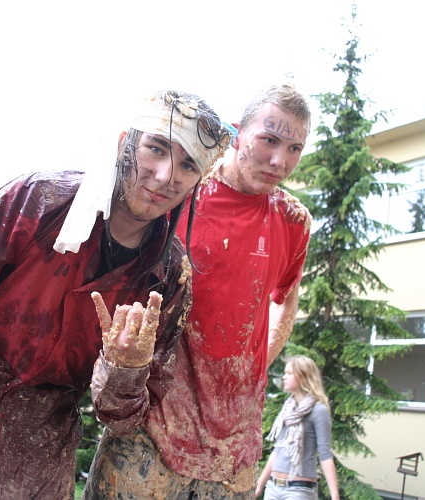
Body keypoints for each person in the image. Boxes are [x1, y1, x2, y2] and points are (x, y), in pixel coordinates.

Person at [0, 89, 231, 500]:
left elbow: (121, 418)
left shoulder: (168, 278)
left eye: (188, 164)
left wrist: (125, 370)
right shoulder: (36, 202)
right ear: (126, 142)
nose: (163, 176)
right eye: (156, 148)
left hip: (36, 469)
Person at [85, 84, 312, 498]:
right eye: (269, 140)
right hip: (151, 427)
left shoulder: (292, 219)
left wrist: (255, 363)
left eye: (294, 148)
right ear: (238, 133)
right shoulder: (180, 191)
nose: (280, 160)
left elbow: (286, 299)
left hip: (234, 446)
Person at [255, 355, 339, 500]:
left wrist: (335, 496)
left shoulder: (318, 411)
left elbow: (325, 454)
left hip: (299, 490)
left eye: (289, 373)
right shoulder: (287, 409)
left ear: (303, 376)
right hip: (273, 488)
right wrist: (260, 485)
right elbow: (278, 450)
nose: (284, 377)